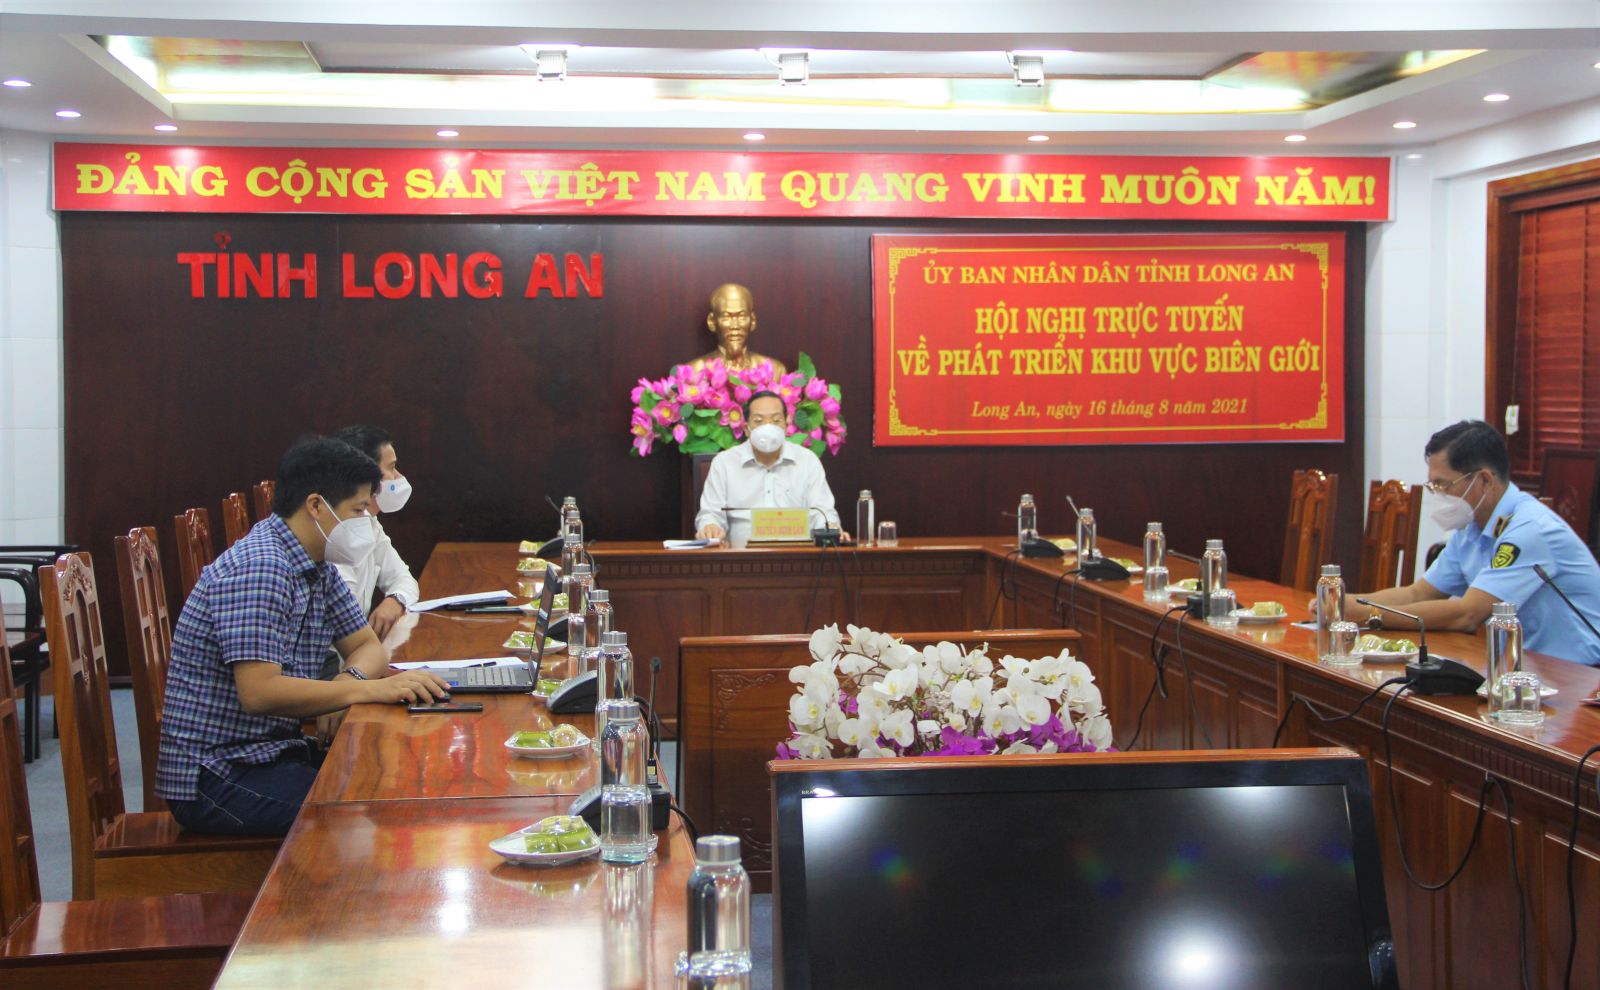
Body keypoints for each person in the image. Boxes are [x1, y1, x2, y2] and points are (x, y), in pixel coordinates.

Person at [155, 436, 452, 835]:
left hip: (272, 753)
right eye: (359, 509)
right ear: (316, 505)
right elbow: (260, 692)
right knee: (363, 813)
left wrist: (350, 681)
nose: (367, 522)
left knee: (388, 779)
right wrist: (363, 691)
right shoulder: (261, 568)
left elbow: (367, 646)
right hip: (220, 774)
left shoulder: (317, 561)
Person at [1342, 419, 1600, 666]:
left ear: (1485, 480)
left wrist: (1370, 615)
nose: (1439, 496)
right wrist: (1348, 602)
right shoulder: (1471, 528)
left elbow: (1468, 614)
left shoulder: (1529, 529)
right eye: (1433, 487)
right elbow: (1418, 592)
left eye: (1444, 486)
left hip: (1580, 675)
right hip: (1524, 665)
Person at [695, 390, 841, 544]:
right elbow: (711, 513)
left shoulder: (807, 461)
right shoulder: (724, 463)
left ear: (786, 425)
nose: (768, 427)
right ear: (746, 428)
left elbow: (823, 512)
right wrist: (710, 526)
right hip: (741, 561)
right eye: (758, 421)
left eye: (776, 420)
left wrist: (829, 527)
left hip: (798, 559)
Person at [331, 424, 419, 640]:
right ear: (367, 474)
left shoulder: (370, 523)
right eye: (392, 468)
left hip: (359, 653)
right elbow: (343, 626)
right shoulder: (331, 532)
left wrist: (395, 601)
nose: (398, 476)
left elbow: (404, 579)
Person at [685, 283, 788, 376]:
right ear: (712, 322)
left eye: (742, 317)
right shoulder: (693, 371)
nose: (735, 326)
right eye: (726, 317)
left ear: (752, 321)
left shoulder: (775, 371)